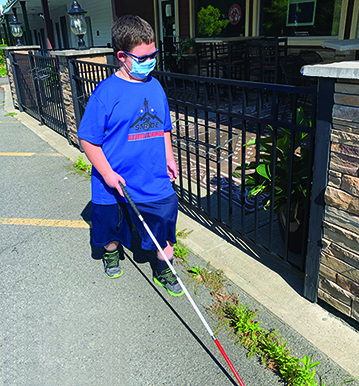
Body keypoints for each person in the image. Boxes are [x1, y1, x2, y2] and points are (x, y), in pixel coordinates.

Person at [77, 15, 184, 297]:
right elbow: (88, 139)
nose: (150, 61)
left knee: (164, 222)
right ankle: (111, 253)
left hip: (152, 178)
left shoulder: (154, 86)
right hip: (112, 180)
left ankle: (164, 269)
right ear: (122, 56)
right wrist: (108, 174)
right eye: (143, 57)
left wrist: (170, 157)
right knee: (110, 226)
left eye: (154, 55)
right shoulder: (106, 93)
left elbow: (163, 128)